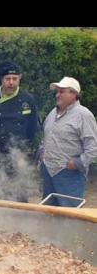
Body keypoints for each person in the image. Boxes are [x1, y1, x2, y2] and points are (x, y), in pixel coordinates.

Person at [0, 61, 39, 202]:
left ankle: (21, 217)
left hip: (18, 152)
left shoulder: (28, 100)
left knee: (19, 189)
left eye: (15, 79)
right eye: (7, 79)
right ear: (2, 80)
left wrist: (23, 146)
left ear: (20, 78)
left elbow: (32, 128)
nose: (11, 82)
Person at [38, 77, 97, 207]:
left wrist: (78, 162)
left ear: (74, 94)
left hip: (70, 174)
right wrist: (42, 150)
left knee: (69, 216)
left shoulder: (83, 115)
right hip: (48, 171)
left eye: (61, 91)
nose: (57, 95)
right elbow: (47, 136)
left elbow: (93, 147)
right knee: (48, 213)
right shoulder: (53, 113)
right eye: (57, 91)